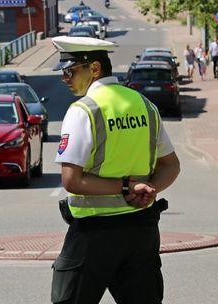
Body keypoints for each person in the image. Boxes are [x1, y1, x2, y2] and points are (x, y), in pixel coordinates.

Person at [49, 36, 180, 304]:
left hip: (93, 233)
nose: (64, 78)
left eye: (69, 71)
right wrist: (148, 189)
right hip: (142, 230)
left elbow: (71, 180)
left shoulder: (84, 110)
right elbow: (171, 165)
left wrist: (125, 187)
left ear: (94, 68)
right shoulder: (144, 105)